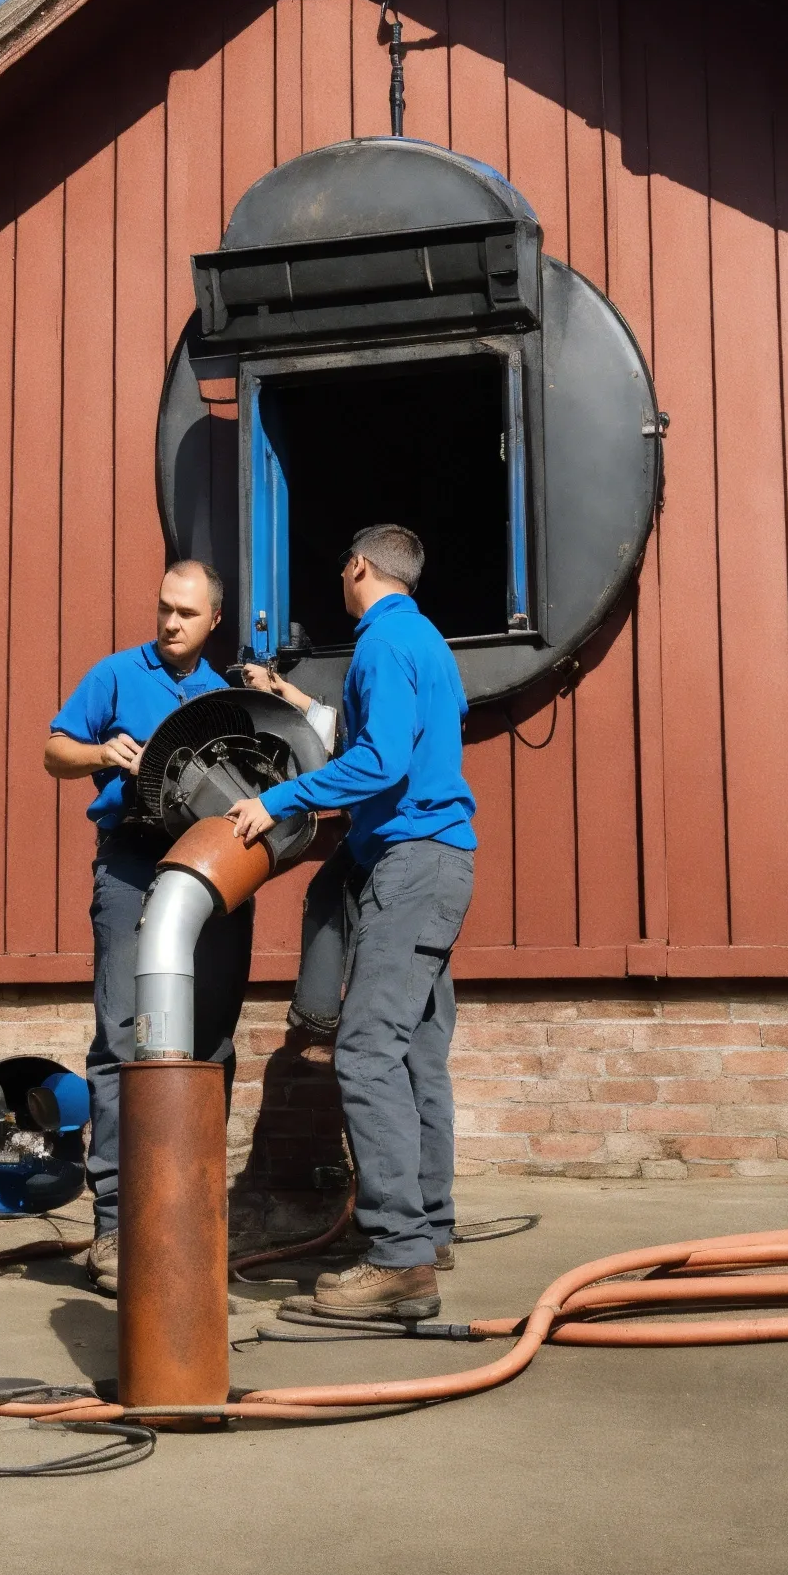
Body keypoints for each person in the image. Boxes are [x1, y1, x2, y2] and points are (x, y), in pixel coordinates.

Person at [227, 523, 476, 1321]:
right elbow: (410, 743)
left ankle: (398, 1259)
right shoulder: (428, 644)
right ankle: (427, 1228)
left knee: (366, 1055)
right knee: (415, 1056)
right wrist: (299, 703)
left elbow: (381, 762)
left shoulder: (377, 643)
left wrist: (274, 800)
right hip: (438, 863)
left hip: (411, 867)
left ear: (358, 566)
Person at [44, 560, 250, 1297]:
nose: (170, 624)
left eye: (186, 614)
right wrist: (102, 753)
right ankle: (115, 1227)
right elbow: (53, 751)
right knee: (124, 1038)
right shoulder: (113, 674)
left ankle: (193, 1213)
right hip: (131, 868)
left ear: (214, 620)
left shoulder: (228, 694)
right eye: (163, 608)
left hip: (215, 874)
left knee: (211, 1042)